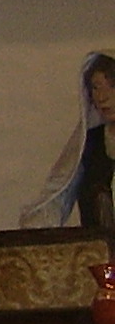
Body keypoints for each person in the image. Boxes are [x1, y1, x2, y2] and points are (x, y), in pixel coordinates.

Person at [20, 51, 115, 228]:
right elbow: (59, 194)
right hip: (97, 243)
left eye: (112, 86)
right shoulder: (90, 143)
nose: (103, 96)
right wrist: (35, 229)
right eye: (96, 87)